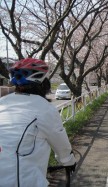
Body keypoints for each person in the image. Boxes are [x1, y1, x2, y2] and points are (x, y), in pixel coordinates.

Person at [0, 58, 76, 187]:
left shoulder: (2, 102)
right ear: (43, 83)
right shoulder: (44, 108)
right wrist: (68, 161)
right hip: (22, 180)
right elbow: (59, 141)